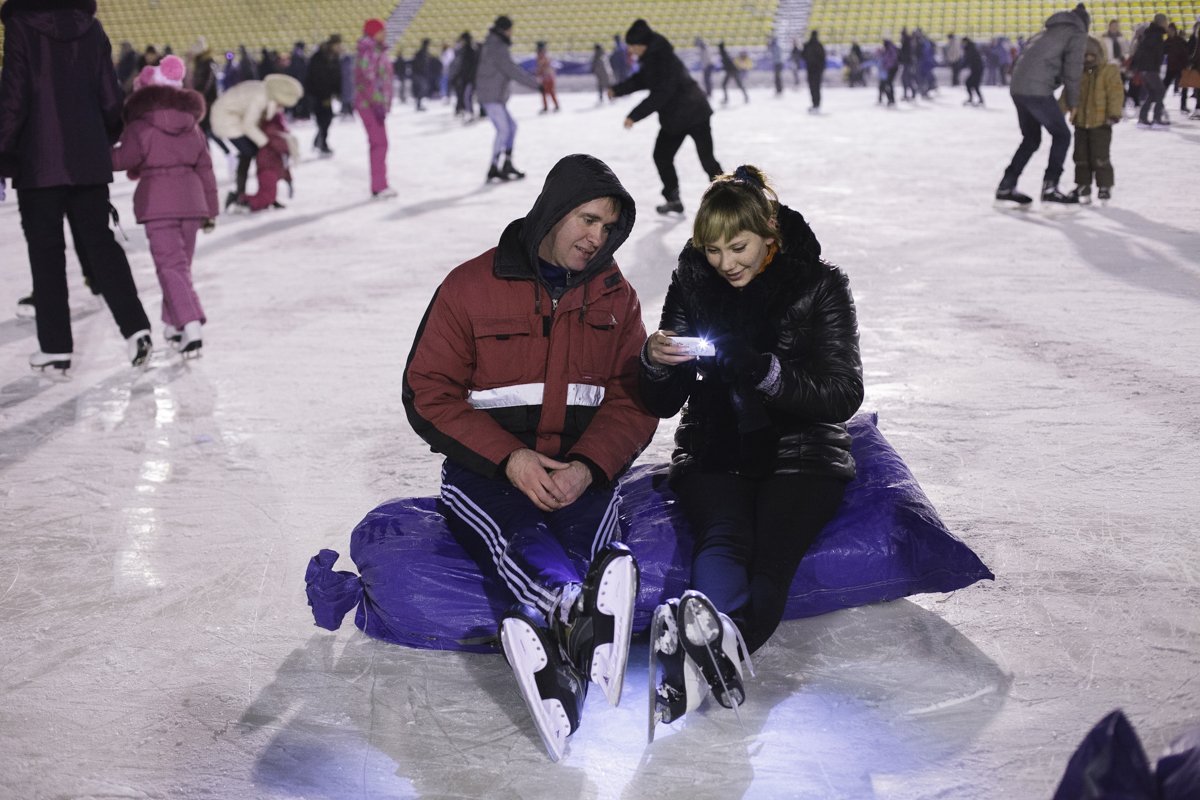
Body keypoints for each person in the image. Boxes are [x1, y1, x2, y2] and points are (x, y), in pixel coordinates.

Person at [402, 154, 657, 761]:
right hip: (486, 471)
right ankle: (571, 610)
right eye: (587, 219)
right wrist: (510, 459)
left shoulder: (616, 297)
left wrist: (589, 466)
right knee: (516, 530)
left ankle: (568, 662)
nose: (596, 237)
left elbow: (632, 398)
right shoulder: (471, 286)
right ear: (553, 211)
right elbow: (427, 390)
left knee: (595, 528)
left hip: (578, 466)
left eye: (608, 227)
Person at [638, 165, 863, 730]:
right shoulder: (692, 280)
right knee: (723, 535)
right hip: (715, 446)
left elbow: (842, 394)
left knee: (773, 554)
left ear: (770, 235)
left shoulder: (819, 285)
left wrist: (766, 372)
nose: (725, 263)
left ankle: (707, 652)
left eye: (737, 247)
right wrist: (656, 362)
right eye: (712, 250)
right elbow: (665, 401)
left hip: (802, 452)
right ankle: (711, 645)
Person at [0, 0, 154, 371]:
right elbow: (109, 97)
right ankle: (136, 329)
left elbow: (15, 95)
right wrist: (99, 138)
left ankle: (56, 348)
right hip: (87, 157)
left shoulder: (22, 24)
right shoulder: (91, 27)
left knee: (47, 252)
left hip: (39, 160)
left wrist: (3, 148)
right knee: (100, 243)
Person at [110, 55, 218, 357]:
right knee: (180, 268)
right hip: (193, 203)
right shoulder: (192, 126)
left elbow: (124, 159)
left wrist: (94, 154)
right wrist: (211, 209)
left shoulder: (142, 126)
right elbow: (205, 168)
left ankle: (191, 323)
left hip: (158, 203)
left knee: (171, 267)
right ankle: (173, 325)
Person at [610, 19, 723, 216]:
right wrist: (618, 90)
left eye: (633, 47)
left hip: (693, 113)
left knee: (707, 159)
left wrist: (634, 116)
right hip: (677, 118)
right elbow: (642, 80)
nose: (631, 51)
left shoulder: (662, 59)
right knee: (662, 156)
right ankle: (673, 198)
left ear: (642, 45)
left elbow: (661, 94)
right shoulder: (652, 58)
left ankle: (728, 198)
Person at [995, 3, 1090, 205]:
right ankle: (1050, 187)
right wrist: (1074, 103)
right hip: (1036, 90)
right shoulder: (1077, 32)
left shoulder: (1047, 31)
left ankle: (1006, 185)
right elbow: (1073, 70)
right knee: (1062, 135)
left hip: (1018, 88)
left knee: (1031, 138)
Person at [210, 73, 304, 208]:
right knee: (254, 153)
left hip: (236, 117)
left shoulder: (266, 92)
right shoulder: (260, 97)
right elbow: (248, 125)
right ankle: (242, 195)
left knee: (258, 155)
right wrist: (267, 143)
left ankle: (259, 194)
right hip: (227, 120)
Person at [476, 15, 541, 182]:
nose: (512, 33)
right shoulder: (497, 47)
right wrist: (536, 84)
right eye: (511, 29)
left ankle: (506, 163)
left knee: (511, 127)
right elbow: (511, 70)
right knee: (504, 130)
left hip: (493, 96)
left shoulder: (495, 44)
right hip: (490, 96)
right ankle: (494, 167)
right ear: (505, 29)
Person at [1064, 36, 1123, 203]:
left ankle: (1104, 186)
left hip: (1101, 122)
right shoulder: (1078, 73)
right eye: (1084, 56)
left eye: (1091, 55)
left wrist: (1114, 113)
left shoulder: (1109, 70)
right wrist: (1056, 111)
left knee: (1100, 155)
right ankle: (1083, 185)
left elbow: (1116, 93)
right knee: (1080, 156)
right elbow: (1067, 94)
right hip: (1081, 122)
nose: (1088, 59)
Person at [355, 18, 396, 198]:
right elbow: (368, 79)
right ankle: (379, 186)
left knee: (380, 143)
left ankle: (380, 184)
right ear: (373, 32)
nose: (384, 34)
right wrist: (377, 103)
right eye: (381, 31)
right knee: (379, 143)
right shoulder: (369, 52)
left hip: (372, 103)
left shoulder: (375, 50)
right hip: (369, 104)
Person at [305, 34, 343, 156]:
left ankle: (319, 140)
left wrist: (337, 92)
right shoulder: (319, 57)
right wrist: (324, 95)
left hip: (326, 95)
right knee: (323, 119)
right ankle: (322, 142)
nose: (339, 47)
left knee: (327, 118)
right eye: (337, 45)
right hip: (317, 95)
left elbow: (336, 77)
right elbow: (316, 77)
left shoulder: (334, 58)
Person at [1131, 13, 1171, 127]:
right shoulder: (1156, 34)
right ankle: (1156, 118)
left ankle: (1143, 118)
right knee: (1160, 91)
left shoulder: (1151, 33)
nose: (1167, 24)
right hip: (1149, 68)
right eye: (1166, 22)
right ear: (1162, 22)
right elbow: (1152, 53)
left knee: (1153, 93)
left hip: (1145, 68)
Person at [801, 30, 827, 112]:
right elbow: (823, 59)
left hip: (810, 70)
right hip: (817, 71)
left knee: (812, 88)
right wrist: (822, 69)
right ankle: (817, 104)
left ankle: (815, 104)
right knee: (817, 88)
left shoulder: (808, 45)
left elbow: (803, 56)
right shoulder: (819, 45)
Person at [535, 41, 560, 113]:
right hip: (546, 77)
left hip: (547, 77)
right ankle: (548, 106)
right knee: (545, 92)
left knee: (550, 92)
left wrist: (539, 71)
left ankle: (554, 105)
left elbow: (542, 67)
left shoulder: (544, 57)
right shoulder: (542, 56)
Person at [963, 36, 985, 105]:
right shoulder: (971, 48)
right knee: (971, 84)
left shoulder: (970, 49)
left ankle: (975, 98)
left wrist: (962, 66)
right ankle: (975, 98)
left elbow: (968, 60)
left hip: (977, 70)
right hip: (976, 69)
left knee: (972, 84)